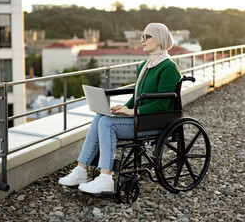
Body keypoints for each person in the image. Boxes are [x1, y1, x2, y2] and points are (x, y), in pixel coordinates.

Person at [58, 23, 181, 194]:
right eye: (142, 37)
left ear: (160, 39)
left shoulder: (168, 68)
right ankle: (81, 169)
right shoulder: (147, 66)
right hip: (141, 117)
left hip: (154, 121)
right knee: (101, 116)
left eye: (147, 37)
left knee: (107, 124)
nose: (142, 40)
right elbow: (138, 96)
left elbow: (162, 103)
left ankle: (105, 178)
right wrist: (124, 107)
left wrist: (132, 111)